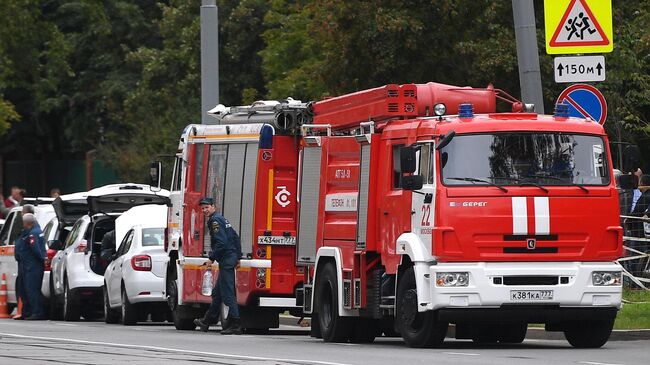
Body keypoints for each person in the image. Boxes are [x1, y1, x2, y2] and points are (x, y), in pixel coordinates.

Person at [193, 197, 242, 335]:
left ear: (213, 207)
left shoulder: (215, 221)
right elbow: (235, 237)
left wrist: (211, 258)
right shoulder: (222, 219)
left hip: (226, 260)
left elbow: (222, 243)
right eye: (202, 208)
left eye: (207, 207)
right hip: (230, 258)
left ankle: (236, 324)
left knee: (228, 293)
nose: (204, 210)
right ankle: (207, 321)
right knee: (218, 293)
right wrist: (238, 256)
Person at [14, 213, 46, 320]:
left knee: (32, 289)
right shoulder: (26, 232)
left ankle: (37, 312)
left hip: (32, 266)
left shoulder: (34, 233)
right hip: (25, 265)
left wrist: (43, 259)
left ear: (27, 223)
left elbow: (37, 249)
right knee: (23, 290)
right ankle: (26, 312)